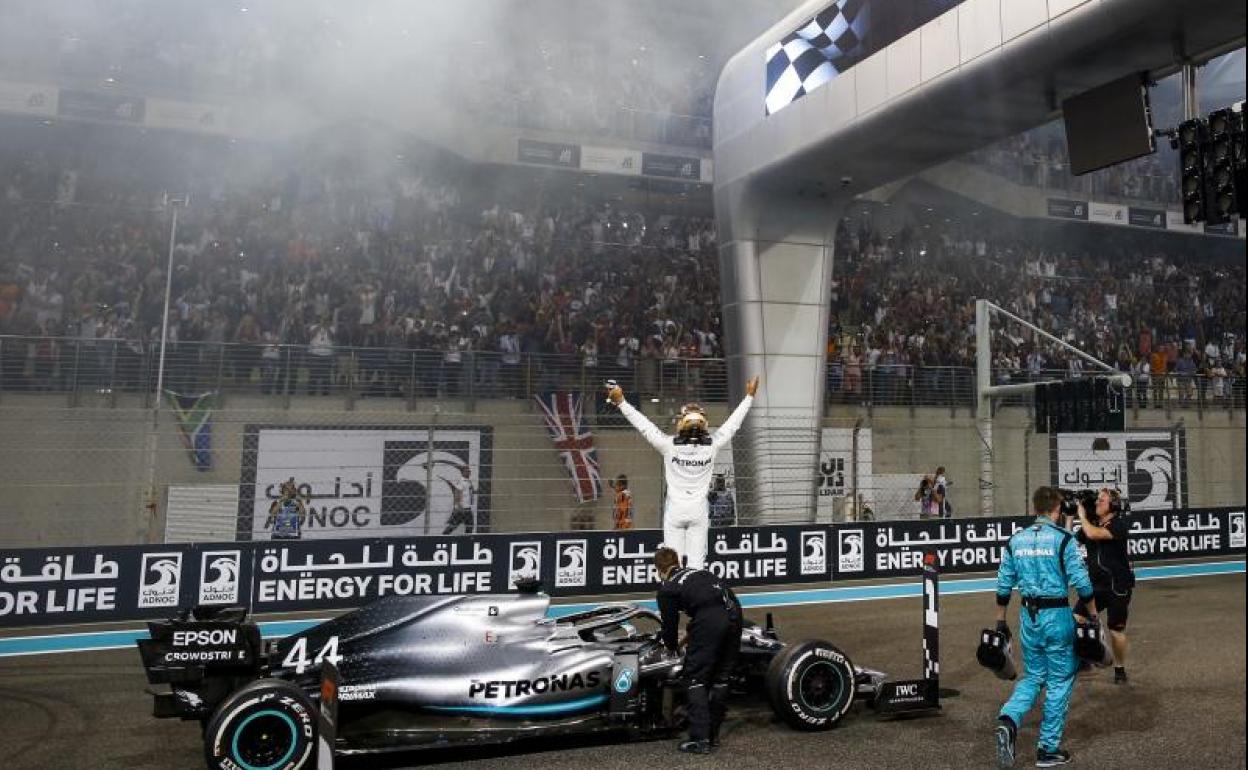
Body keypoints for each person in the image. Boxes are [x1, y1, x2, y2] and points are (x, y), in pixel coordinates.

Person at [994, 486, 1098, 769]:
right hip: (1057, 615)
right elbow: (1082, 583)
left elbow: (1004, 585)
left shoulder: (1017, 540)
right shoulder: (1063, 539)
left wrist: (1000, 621)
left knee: (1033, 676)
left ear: (1034, 509)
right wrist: (1092, 616)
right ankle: (1047, 749)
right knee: (1061, 679)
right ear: (1057, 509)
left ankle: (1009, 719)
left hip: (1029, 617)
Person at [608, 376, 759, 568]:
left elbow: (644, 425)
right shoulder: (712, 445)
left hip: (675, 511)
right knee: (696, 564)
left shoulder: (668, 445)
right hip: (698, 511)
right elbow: (732, 425)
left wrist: (621, 402)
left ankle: (673, 594)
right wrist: (749, 397)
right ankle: (695, 595)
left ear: (682, 422)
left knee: (671, 564)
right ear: (703, 423)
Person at [654, 546, 742, 754]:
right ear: (679, 563)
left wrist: (672, 647)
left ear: (659, 570)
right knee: (721, 678)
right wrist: (688, 638)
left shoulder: (667, 588)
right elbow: (711, 607)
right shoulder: (700, 573)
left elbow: (669, 626)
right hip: (735, 613)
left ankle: (700, 739)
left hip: (711, 619)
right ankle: (712, 735)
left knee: (695, 678)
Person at [1071, 488, 1135, 684]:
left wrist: (1082, 515)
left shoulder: (1119, 525)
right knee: (1077, 618)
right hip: (1095, 586)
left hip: (1117, 585)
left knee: (1116, 629)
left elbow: (1093, 533)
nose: (1097, 503)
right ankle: (1085, 660)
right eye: (1097, 500)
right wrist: (1070, 516)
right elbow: (1073, 538)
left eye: (1102, 501)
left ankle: (1119, 668)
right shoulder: (1092, 523)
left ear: (1113, 507)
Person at [442, 465, 477, 535]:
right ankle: (443, 537)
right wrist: (459, 506)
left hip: (467, 508)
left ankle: (467, 540)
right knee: (453, 526)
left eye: (469, 471)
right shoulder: (461, 482)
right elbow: (457, 493)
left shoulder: (468, 481)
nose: (469, 472)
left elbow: (469, 492)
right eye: (467, 471)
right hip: (462, 509)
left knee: (469, 526)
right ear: (462, 472)